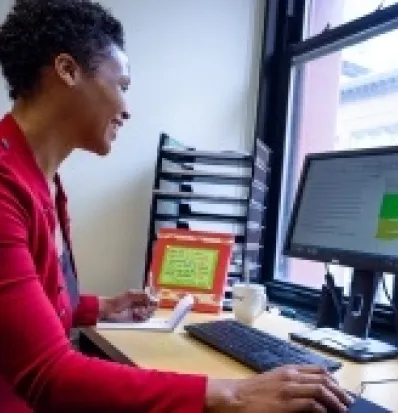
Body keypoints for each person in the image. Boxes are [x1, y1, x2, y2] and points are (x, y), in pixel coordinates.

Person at [0, 1, 353, 412]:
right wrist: (235, 394)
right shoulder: (7, 187)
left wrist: (103, 307)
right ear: (68, 70)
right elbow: (47, 373)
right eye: (122, 85)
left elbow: (32, 308)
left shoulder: (45, 183)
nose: (126, 109)